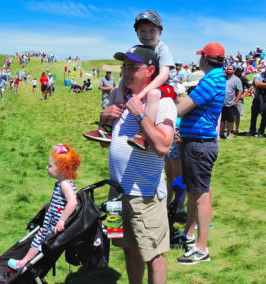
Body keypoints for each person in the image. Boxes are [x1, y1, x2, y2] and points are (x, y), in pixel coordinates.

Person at [100, 45, 176, 283]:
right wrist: (104, 120)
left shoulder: (163, 103)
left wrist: (140, 115)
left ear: (151, 70)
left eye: (133, 67)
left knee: (153, 255)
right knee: (127, 248)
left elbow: (163, 147)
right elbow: (108, 144)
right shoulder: (123, 98)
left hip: (144, 196)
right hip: (115, 192)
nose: (126, 71)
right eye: (124, 67)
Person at [83, 10, 175, 149]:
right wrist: (119, 95)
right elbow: (125, 76)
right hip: (146, 87)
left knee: (153, 94)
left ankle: (144, 135)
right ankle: (107, 130)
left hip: (165, 86)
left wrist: (141, 95)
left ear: (160, 32)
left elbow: (163, 75)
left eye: (152, 30)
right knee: (114, 92)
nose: (147, 35)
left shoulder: (162, 49)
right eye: (142, 31)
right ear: (136, 33)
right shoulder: (137, 49)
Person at [174, 42, 226, 265]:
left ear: (205, 58)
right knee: (195, 194)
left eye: (200, 56)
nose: (198, 60)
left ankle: (201, 249)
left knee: (201, 196)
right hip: (195, 144)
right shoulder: (215, 77)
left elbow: (182, 108)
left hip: (199, 145)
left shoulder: (211, 79)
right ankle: (188, 236)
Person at [7, 144, 80, 270]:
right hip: (51, 219)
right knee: (39, 238)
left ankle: (23, 263)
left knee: (39, 241)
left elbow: (72, 203)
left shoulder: (65, 185)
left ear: (62, 169)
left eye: (50, 165)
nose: (47, 167)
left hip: (54, 224)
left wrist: (62, 220)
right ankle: (26, 261)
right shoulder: (62, 183)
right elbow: (63, 202)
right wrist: (50, 205)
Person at [247, 66, 266, 137]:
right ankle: (252, 130)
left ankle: (261, 132)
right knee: (254, 115)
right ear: (265, 70)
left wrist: (261, 85)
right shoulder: (259, 76)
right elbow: (256, 84)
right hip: (257, 98)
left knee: (264, 116)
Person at [220, 65, 243, 139]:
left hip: (231, 103)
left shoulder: (236, 79)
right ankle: (221, 133)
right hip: (221, 103)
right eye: (227, 69)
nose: (228, 70)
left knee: (230, 120)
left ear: (233, 71)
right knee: (222, 119)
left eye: (230, 69)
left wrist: (236, 101)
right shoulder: (222, 78)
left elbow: (240, 91)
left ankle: (228, 133)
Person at [234, 66, 254, 134]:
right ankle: (229, 129)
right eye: (237, 70)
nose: (238, 72)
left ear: (242, 72)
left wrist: (244, 95)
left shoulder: (243, 78)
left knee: (238, 115)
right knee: (229, 114)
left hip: (239, 98)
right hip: (230, 98)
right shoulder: (231, 76)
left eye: (240, 71)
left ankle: (236, 129)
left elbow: (251, 86)